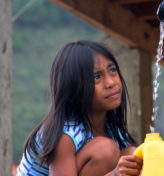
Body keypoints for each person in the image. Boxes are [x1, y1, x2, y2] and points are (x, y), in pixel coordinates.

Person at [17, 40, 143, 176]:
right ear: (72, 90)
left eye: (112, 70)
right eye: (96, 77)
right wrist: (114, 174)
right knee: (105, 150)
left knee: (134, 156)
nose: (111, 83)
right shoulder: (64, 135)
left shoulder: (113, 131)